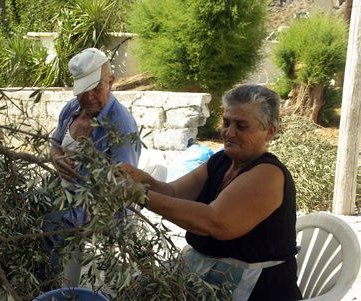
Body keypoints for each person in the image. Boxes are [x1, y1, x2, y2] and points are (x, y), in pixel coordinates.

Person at [122, 85, 302, 300]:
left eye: (241, 126)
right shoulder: (222, 160)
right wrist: (143, 180)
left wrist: (140, 196)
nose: (229, 132)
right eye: (227, 122)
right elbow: (174, 192)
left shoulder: (267, 174)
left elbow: (214, 222)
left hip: (257, 288)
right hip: (207, 276)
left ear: (270, 131)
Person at [43, 47, 141, 287]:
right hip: (65, 197)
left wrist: (80, 212)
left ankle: (55, 285)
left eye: (96, 88)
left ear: (111, 82)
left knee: (54, 228)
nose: (89, 97)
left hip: (101, 211)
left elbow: (122, 185)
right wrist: (56, 156)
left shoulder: (121, 126)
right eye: (83, 90)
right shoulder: (71, 110)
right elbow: (55, 142)